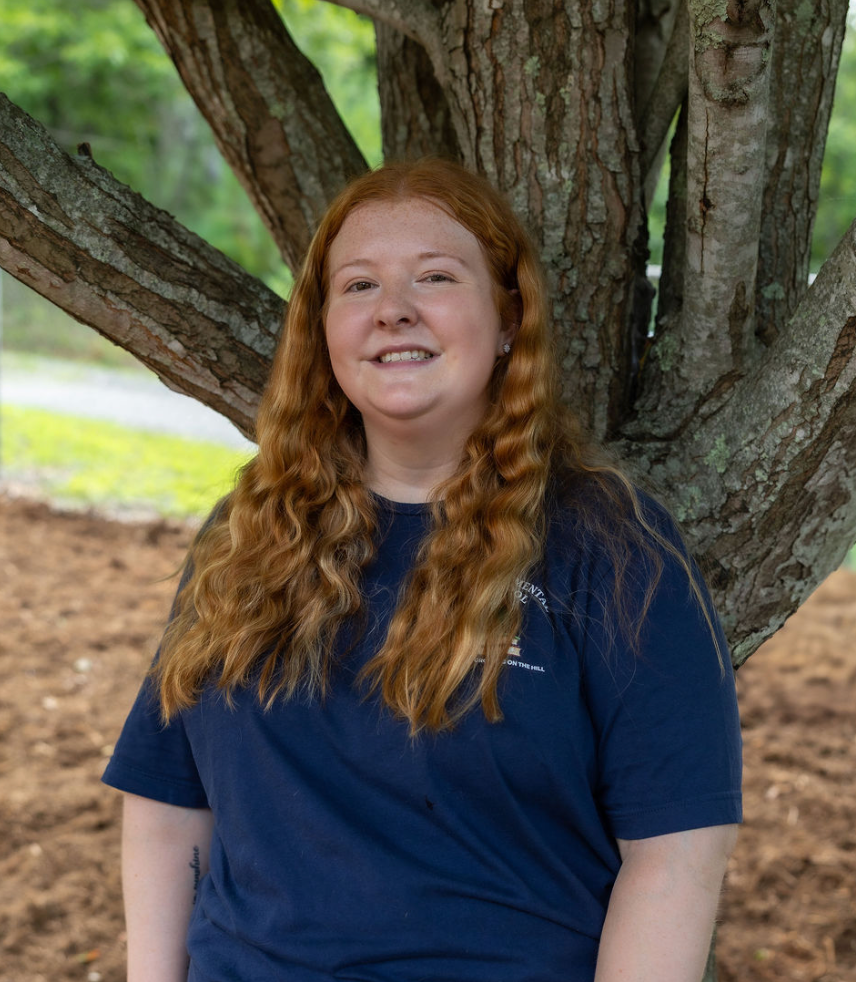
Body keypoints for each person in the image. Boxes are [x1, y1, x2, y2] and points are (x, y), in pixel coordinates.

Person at [103, 158, 742, 982]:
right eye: (359, 286)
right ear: (323, 328)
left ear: (509, 318)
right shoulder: (251, 531)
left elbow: (678, 852)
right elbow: (167, 801)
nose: (394, 312)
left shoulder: (612, 545)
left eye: (435, 277)